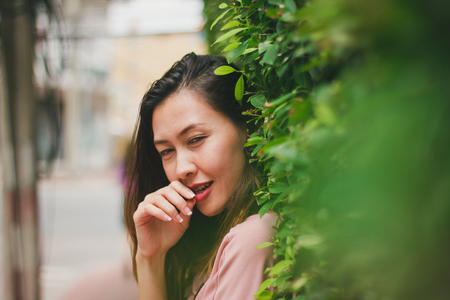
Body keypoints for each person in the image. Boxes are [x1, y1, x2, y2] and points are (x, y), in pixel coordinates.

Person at [124, 52, 277, 300]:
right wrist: (150, 257)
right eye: (166, 151)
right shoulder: (212, 239)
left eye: (195, 139)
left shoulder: (253, 239)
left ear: (247, 127)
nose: (180, 169)